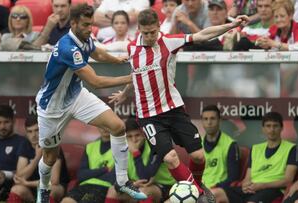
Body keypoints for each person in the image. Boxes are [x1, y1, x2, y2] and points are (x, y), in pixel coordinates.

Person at [109, 8, 249, 203]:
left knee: (199, 157)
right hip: (149, 116)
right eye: (145, 33)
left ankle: (197, 186)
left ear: (159, 26)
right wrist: (125, 94)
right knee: (170, 158)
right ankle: (199, 196)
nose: (149, 36)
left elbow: (202, 34)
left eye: (153, 32)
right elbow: (136, 75)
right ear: (139, 29)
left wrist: (232, 24)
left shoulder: (168, 41)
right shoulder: (132, 48)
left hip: (173, 109)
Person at [35, 3, 147, 203]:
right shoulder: (68, 47)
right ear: (74, 23)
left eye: (91, 24)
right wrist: (130, 78)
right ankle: (43, 188)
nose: (90, 29)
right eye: (86, 25)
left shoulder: (85, 37)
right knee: (49, 158)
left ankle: (121, 181)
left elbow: (99, 54)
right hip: (52, 108)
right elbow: (95, 81)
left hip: (77, 96)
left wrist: (119, 59)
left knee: (118, 126)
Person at [222, 112, 298, 203]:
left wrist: (263, 185)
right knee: (216, 194)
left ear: (281, 128)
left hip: (272, 190)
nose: (272, 130)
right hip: (252, 188)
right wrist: (246, 183)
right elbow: (248, 176)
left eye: (275, 126)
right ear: (263, 129)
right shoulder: (255, 148)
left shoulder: (291, 148)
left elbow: (288, 180)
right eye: (268, 126)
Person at [106, 117, 176, 202]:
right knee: (112, 190)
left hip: (166, 186)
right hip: (136, 186)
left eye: (137, 135)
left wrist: (135, 153)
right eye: (129, 136)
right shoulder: (123, 149)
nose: (134, 140)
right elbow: (115, 180)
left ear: (143, 135)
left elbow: (145, 177)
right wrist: (132, 184)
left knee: (144, 192)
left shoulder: (154, 146)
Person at [7, 115, 68, 203]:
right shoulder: (25, 145)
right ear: (26, 132)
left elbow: (54, 181)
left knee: (48, 191)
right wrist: (37, 158)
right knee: (16, 189)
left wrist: (27, 183)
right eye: (30, 131)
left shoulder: (52, 145)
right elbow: (20, 176)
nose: (33, 135)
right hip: (32, 189)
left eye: (37, 130)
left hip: (54, 187)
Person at [0, 105, 32, 202]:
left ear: (13, 121)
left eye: (6, 122)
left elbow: (26, 172)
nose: (2, 126)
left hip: (4, 186)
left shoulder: (22, 142)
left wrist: (6, 174)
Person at [62, 128, 116, 203]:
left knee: (86, 201)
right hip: (84, 185)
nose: (105, 128)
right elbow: (81, 175)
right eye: (102, 125)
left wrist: (90, 174)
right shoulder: (90, 146)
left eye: (108, 125)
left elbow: (112, 178)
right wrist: (105, 169)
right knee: (66, 201)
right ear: (97, 126)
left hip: (104, 187)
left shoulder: (120, 147)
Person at [200, 105, 240, 203]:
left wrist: (215, 186)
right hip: (200, 188)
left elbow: (233, 177)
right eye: (205, 119)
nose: (209, 122)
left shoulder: (230, 144)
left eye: (212, 118)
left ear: (219, 120)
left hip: (219, 189)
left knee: (205, 199)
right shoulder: (197, 143)